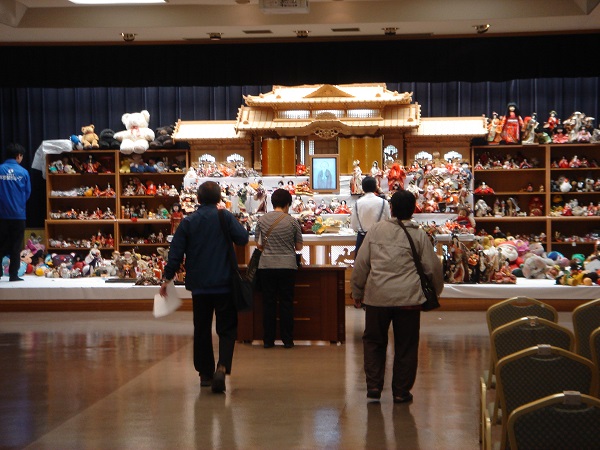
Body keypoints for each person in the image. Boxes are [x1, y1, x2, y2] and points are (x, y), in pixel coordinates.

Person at [350, 190, 444, 403]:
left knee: (374, 341)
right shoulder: (419, 235)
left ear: (391, 208)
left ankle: (374, 385)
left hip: (377, 297)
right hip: (408, 298)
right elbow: (433, 268)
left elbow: (361, 264)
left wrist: (357, 292)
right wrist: (436, 291)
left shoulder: (375, 231)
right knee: (406, 344)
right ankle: (401, 391)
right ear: (413, 210)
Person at [159, 181, 249, 393]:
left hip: (200, 285)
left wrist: (167, 277)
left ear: (197, 199)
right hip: (225, 283)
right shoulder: (224, 216)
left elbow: (176, 252)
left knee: (201, 328)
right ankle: (223, 365)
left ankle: (205, 374)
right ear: (219, 198)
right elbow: (243, 239)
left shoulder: (188, 221)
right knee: (227, 328)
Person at [255, 188, 303, 349]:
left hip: (266, 266)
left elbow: (259, 245)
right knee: (286, 303)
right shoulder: (292, 221)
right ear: (287, 204)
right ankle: (287, 340)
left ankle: (268, 340)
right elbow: (299, 247)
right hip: (287, 266)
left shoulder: (262, 220)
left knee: (268, 303)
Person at [0, 143, 31, 282]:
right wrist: (18, 204)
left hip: (1, 215)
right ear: (18, 156)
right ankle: (13, 275)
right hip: (18, 215)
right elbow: (27, 193)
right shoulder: (23, 172)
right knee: (16, 245)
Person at [350, 176, 391, 255]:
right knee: (379, 264)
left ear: (362, 187)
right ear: (376, 187)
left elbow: (354, 226)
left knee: (361, 265)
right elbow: (388, 221)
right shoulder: (383, 202)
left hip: (362, 238)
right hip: (379, 239)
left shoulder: (358, 203)